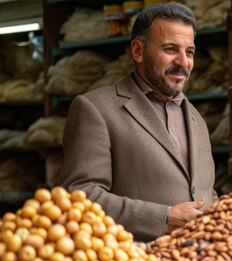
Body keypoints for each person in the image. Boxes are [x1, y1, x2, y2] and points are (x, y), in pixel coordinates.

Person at [58, 2, 218, 242]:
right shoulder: (95, 108)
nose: (183, 62)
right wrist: (163, 218)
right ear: (138, 51)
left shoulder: (197, 118)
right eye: (171, 49)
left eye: (190, 52)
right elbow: (79, 196)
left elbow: (205, 192)